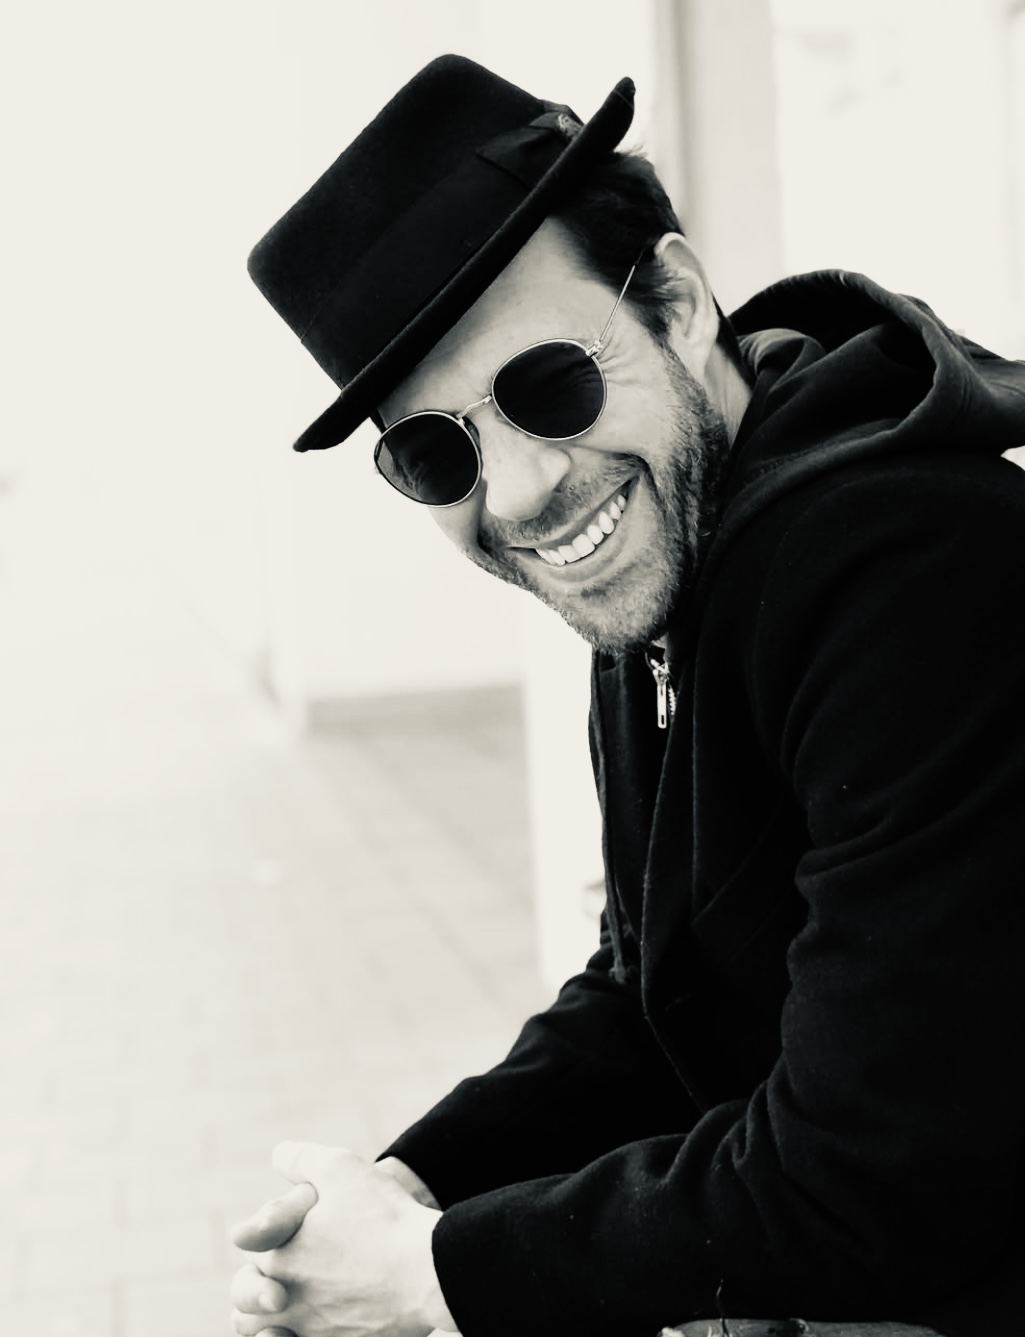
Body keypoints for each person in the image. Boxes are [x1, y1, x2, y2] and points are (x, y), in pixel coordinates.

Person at [229, 54, 1025, 1337]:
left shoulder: (910, 572)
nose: (520, 491)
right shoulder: (678, 561)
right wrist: (410, 1184)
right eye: (433, 453)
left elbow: (875, 1172)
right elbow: (652, 987)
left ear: (677, 300)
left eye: (549, 383)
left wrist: (435, 1274)